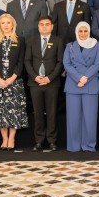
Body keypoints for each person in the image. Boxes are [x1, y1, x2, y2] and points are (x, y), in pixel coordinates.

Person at [0, 13, 28, 151]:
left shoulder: (20, 40)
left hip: (14, 82)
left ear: (13, 24)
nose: (6, 25)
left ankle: (11, 138)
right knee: (0, 111)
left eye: (8, 22)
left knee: (14, 110)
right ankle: (4, 139)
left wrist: (12, 78)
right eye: (3, 23)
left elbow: (21, 61)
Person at [24, 15, 63, 152]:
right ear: (38, 27)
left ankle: (52, 141)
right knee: (38, 114)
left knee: (52, 114)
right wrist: (35, 77)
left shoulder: (58, 41)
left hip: (52, 83)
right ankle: (39, 141)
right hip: (35, 83)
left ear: (52, 27)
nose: (44, 27)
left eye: (47, 24)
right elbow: (27, 61)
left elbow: (60, 62)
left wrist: (50, 78)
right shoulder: (31, 40)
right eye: (42, 24)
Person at [63, 22, 99, 152]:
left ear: (89, 32)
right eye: (80, 31)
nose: (83, 33)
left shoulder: (97, 45)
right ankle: (73, 146)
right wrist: (79, 78)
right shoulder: (69, 46)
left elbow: (97, 64)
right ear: (76, 32)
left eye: (85, 31)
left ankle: (89, 146)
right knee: (73, 119)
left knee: (90, 119)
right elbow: (66, 64)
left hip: (90, 84)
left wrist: (85, 77)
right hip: (73, 84)